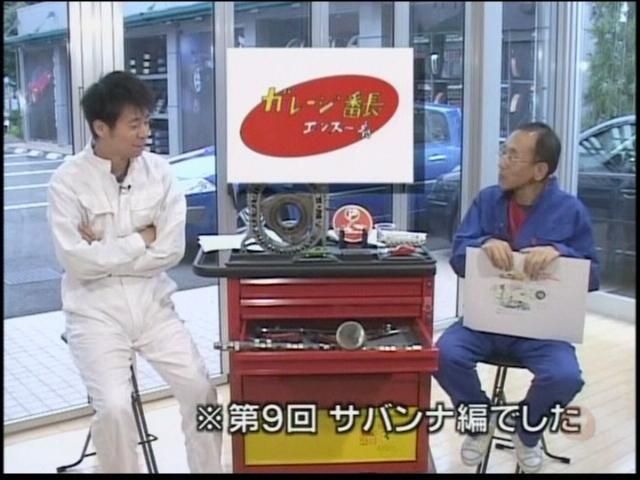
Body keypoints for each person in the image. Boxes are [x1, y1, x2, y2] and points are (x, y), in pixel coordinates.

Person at [47, 71, 222, 473]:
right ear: (101, 127)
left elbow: (170, 250)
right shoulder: (67, 182)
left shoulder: (160, 173)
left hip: (153, 305)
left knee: (202, 391)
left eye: (146, 121)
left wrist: (104, 246)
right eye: (134, 124)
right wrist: (141, 238)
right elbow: (75, 261)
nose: (145, 132)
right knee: (113, 408)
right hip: (94, 312)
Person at [434, 122, 599, 473]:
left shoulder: (571, 210)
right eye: (503, 153)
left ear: (539, 170)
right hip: (486, 321)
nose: (502, 162)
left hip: (542, 330)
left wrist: (561, 253)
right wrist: (482, 244)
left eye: (513, 156)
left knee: (565, 376)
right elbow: (458, 257)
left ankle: (527, 432)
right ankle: (480, 421)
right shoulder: (487, 200)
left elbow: (593, 275)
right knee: (443, 354)